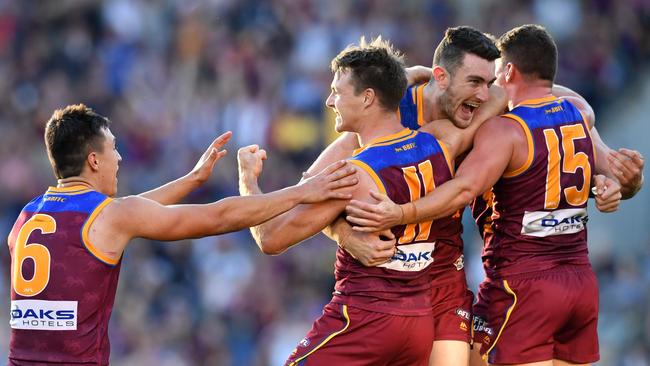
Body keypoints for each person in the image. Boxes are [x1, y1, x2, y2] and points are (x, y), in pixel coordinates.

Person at [344, 25, 631, 366]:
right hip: (579, 281)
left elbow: (464, 188)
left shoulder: (502, 124)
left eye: (490, 82)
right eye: (476, 82)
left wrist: (401, 213)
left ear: (506, 72)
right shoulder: (576, 114)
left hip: (518, 284)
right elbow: (614, 177)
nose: (485, 94)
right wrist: (613, 185)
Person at [7, 104, 357, 365]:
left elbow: (126, 214)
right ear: (94, 160)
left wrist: (191, 180)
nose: (120, 158)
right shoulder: (111, 216)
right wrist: (303, 191)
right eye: (113, 148)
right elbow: (218, 217)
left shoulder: (25, 217)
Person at [238, 35, 501, 365]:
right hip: (416, 312)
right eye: (475, 82)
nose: (330, 102)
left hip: (385, 307)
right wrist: (344, 234)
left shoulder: (356, 169)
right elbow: (498, 100)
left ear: (367, 97)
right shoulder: (440, 139)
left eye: (337, 92)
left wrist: (248, 181)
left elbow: (273, 236)